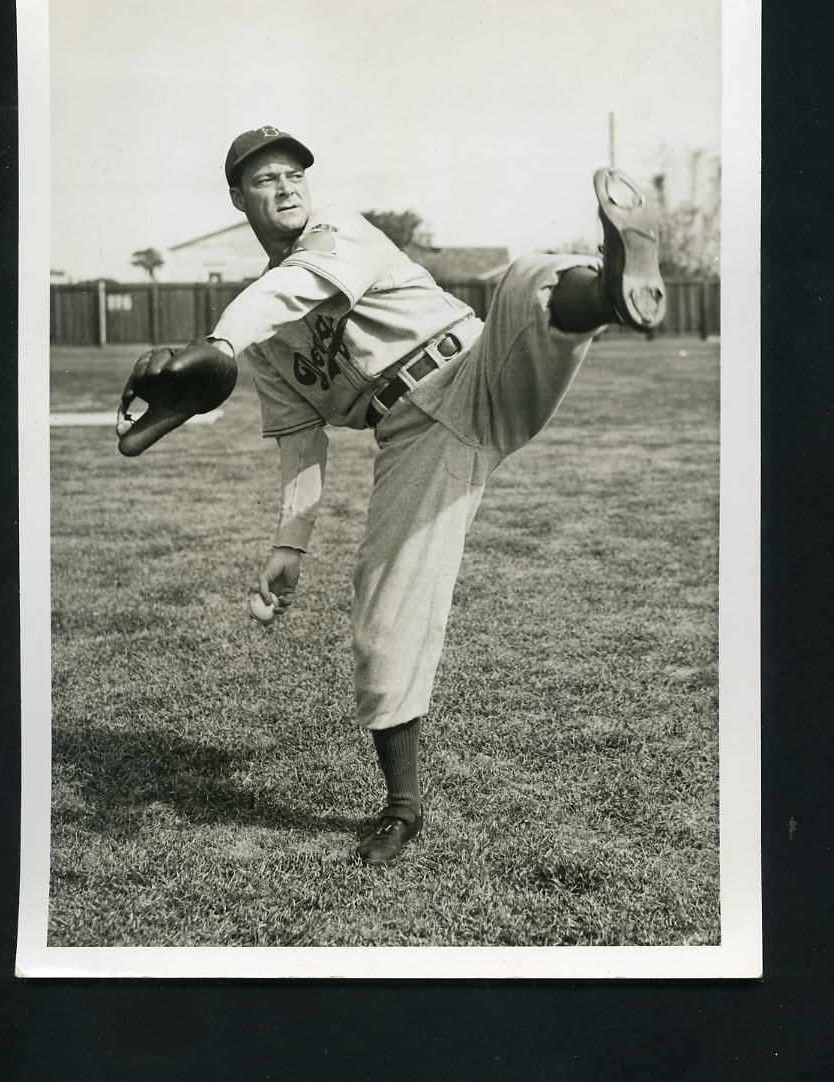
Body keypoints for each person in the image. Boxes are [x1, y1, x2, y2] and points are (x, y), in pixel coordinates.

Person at [116, 125, 666, 865]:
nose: (283, 187)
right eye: (263, 179)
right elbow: (300, 436)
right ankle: (402, 808)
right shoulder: (268, 337)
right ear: (237, 198)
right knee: (382, 609)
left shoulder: (337, 232)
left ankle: (610, 290)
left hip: (471, 366)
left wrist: (220, 342)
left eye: (292, 174)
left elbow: (295, 286)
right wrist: (289, 544)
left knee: (525, 279)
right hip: (414, 439)